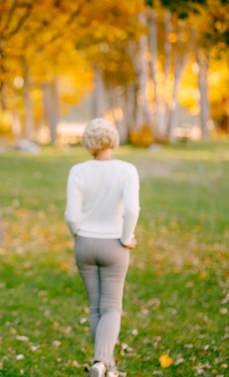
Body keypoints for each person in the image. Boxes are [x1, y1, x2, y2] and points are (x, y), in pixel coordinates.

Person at [64, 118, 140, 377]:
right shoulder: (126, 170)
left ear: (88, 142)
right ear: (113, 140)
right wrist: (127, 237)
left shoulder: (78, 171)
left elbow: (72, 216)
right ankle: (102, 362)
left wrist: (78, 234)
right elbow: (131, 209)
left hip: (84, 244)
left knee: (96, 308)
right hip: (114, 244)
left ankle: (106, 366)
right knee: (111, 307)